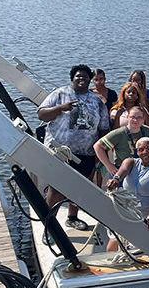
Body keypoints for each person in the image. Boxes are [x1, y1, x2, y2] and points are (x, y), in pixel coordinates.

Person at [37, 64, 110, 232]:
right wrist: (60, 108)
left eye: (85, 76)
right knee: (56, 189)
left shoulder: (97, 101)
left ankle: (72, 218)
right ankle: (50, 227)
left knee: (78, 188)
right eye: (78, 76)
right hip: (60, 151)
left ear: (89, 79)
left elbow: (104, 128)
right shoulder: (60, 94)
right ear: (72, 78)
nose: (81, 79)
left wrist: (101, 152)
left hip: (86, 152)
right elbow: (41, 114)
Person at [105, 137, 149, 251]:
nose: (145, 152)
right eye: (141, 150)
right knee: (111, 249)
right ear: (137, 152)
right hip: (126, 214)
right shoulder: (131, 162)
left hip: (147, 217)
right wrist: (115, 179)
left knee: (143, 251)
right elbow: (122, 171)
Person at [94, 106, 149, 179]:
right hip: (123, 172)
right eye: (133, 117)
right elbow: (98, 146)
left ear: (143, 119)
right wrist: (109, 166)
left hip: (143, 171)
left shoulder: (147, 131)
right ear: (127, 118)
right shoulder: (119, 133)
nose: (135, 120)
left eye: (139, 118)